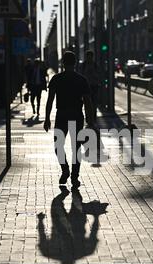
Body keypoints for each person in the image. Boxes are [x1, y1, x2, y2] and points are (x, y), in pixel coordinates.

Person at [44, 51, 95, 189]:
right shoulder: (82, 79)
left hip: (62, 116)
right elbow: (88, 101)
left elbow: (50, 100)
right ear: (76, 62)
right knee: (76, 148)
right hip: (77, 116)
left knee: (58, 146)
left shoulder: (56, 79)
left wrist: (47, 118)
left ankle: (65, 169)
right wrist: (91, 121)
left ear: (63, 63)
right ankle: (74, 176)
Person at [80, 50, 100, 119]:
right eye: (88, 57)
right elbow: (81, 75)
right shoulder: (83, 65)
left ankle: (93, 117)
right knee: (87, 103)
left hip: (94, 86)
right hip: (86, 87)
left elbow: (99, 76)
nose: (89, 58)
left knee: (94, 103)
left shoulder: (95, 65)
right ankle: (88, 117)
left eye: (90, 57)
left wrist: (93, 73)